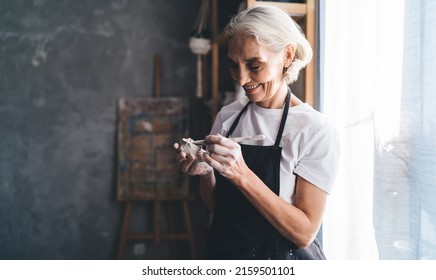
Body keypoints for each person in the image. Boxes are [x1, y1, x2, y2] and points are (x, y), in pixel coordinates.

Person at [174, 5, 339, 260]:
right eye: (233, 65)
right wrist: (206, 174)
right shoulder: (227, 117)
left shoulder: (314, 129)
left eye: (255, 65)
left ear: (287, 55)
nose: (241, 79)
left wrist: (242, 175)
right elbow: (218, 206)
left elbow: (304, 232)